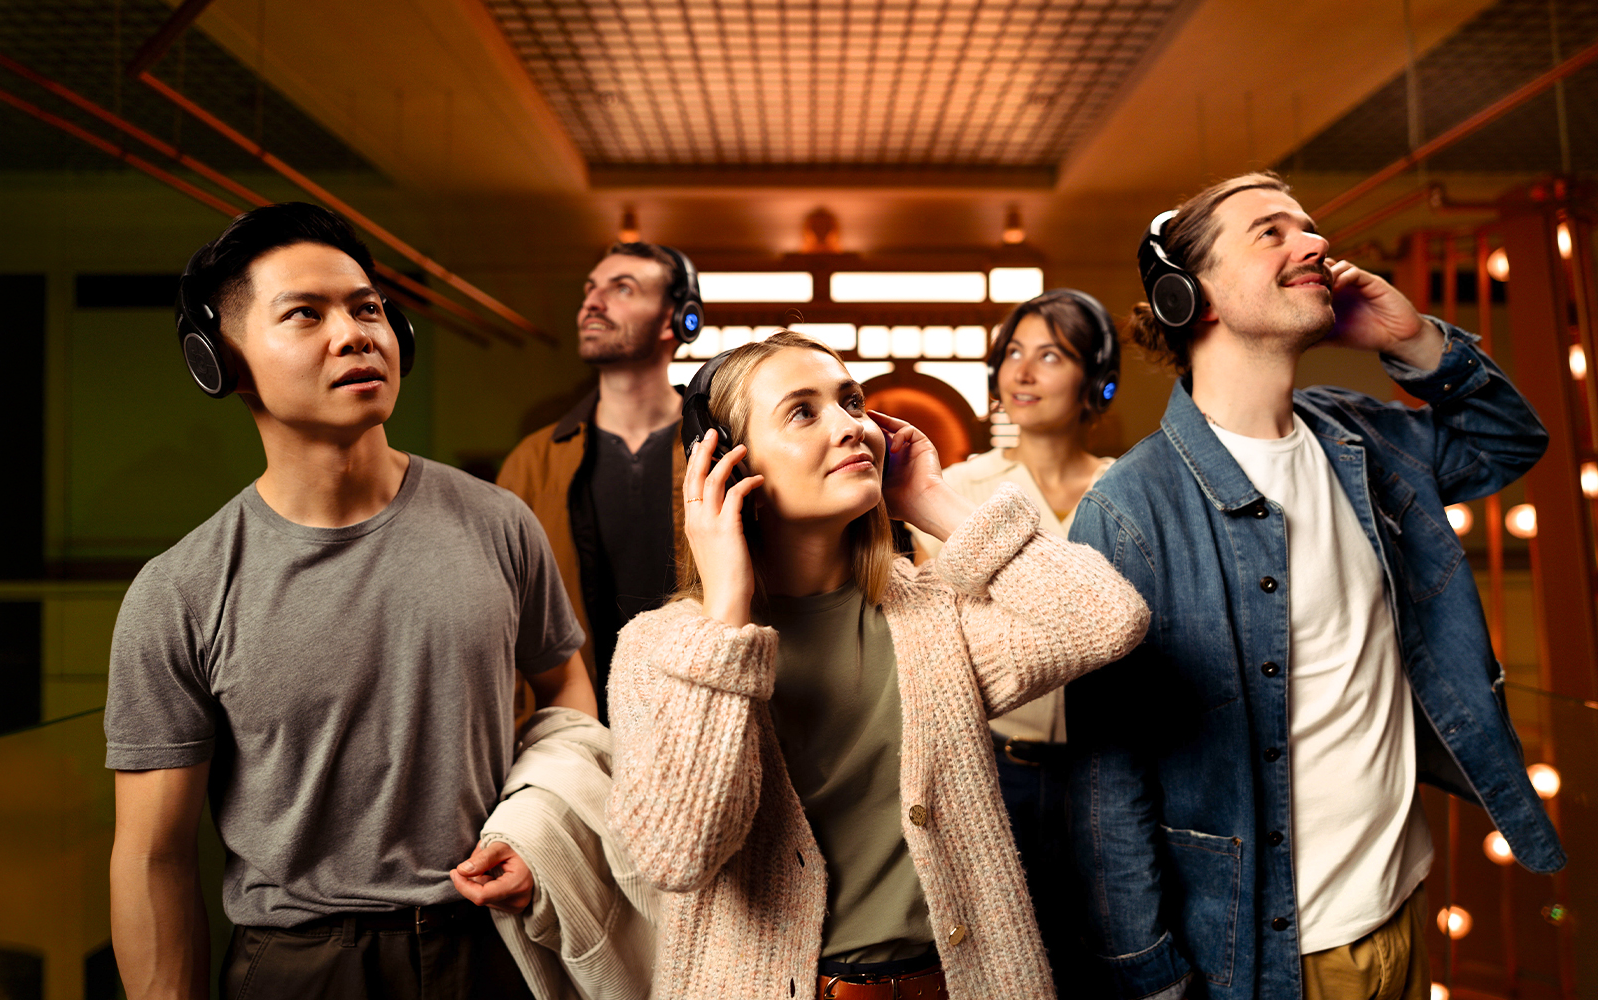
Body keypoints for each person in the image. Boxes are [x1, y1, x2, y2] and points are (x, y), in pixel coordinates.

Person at [1064, 172, 1566, 1000]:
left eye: (1310, 227)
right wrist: (1150, 979)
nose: (1317, 245)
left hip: (1403, 908)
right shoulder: (1130, 511)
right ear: (1195, 297)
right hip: (1270, 959)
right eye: (1272, 232)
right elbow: (1107, 784)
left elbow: (1510, 443)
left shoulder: (1359, 437)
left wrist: (1414, 341)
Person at [105, 202, 595, 1000]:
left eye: (367, 308)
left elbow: (565, 687)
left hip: (494, 944)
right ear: (221, 360)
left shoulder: (499, 522)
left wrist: (544, 828)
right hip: (300, 964)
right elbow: (152, 855)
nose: (355, 334)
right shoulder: (180, 590)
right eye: (305, 314)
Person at [605, 330, 1150, 999]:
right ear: (727, 465)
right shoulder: (658, 649)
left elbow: (1107, 620)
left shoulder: (932, 615)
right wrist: (726, 615)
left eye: (852, 402)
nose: (851, 426)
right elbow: (676, 855)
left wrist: (932, 500)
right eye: (803, 412)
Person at [910, 287, 1120, 988]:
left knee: (1107, 956)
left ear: (1096, 378)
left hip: (1113, 761)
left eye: (1050, 355)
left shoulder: (1129, 492)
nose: (1022, 373)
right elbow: (934, 636)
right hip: (995, 764)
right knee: (1005, 966)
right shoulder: (954, 491)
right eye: (1012, 355)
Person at [497, 241, 703, 725]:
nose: (592, 301)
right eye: (591, 289)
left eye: (622, 289)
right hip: (571, 736)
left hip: (697, 724)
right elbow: (501, 623)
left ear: (679, 319)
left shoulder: (718, 451)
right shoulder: (532, 463)